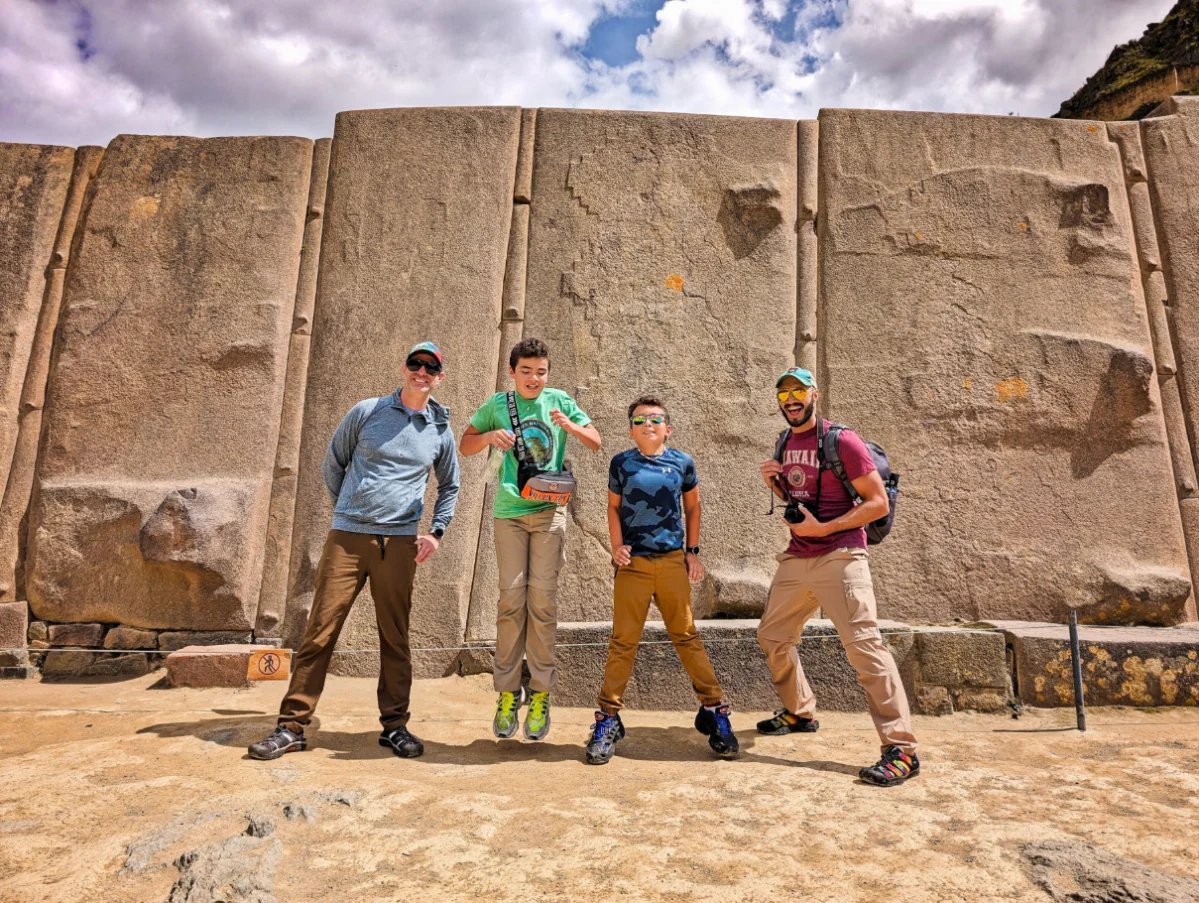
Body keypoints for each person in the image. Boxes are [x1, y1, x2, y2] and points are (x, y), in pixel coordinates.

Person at [248, 342, 460, 761]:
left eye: (430, 368)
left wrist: (435, 532)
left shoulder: (439, 429)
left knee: (395, 638)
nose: (421, 372)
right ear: (404, 368)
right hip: (348, 538)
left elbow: (450, 484)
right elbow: (333, 464)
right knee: (320, 631)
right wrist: (349, 512)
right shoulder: (367, 411)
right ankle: (291, 726)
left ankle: (395, 726)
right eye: (415, 364)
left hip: (399, 543)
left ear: (440, 377)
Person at [756, 367, 920, 786]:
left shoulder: (841, 440)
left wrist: (825, 530)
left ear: (814, 393)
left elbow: (877, 503)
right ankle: (800, 711)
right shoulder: (785, 441)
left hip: (841, 554)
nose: (790, 399)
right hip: (799, 555)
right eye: (783, 394)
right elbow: (798, 500)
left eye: (798, 391)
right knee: (773, 636)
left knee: (865, 648)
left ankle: (900, 750)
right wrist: (776, 485)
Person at [460, 338, 601, 741]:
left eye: (541, 371)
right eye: (527, 371)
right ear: (512, 372)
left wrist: (571, 426)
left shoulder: (558, 400)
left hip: (548, 512)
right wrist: (490, 438)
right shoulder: (496, 405)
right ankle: (507, 692)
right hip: (509, 514)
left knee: (542, 601)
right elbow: (466, 444)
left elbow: (595, 440)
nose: (534, 379)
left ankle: (540, 693)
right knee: (511, 600)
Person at [585, 396, 738, 765]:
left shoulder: (681, 462)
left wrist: (693, 551)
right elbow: (612, 506)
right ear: (630, 430)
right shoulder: (621, 463)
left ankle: (715, 711)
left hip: (671, 562)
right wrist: (617, 547)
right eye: (639, 420)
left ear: (667, 427)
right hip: (634, 564)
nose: (648, 424)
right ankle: (607, 718)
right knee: (623, 641)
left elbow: (693, 507)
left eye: (656, 419)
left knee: (686, 635)